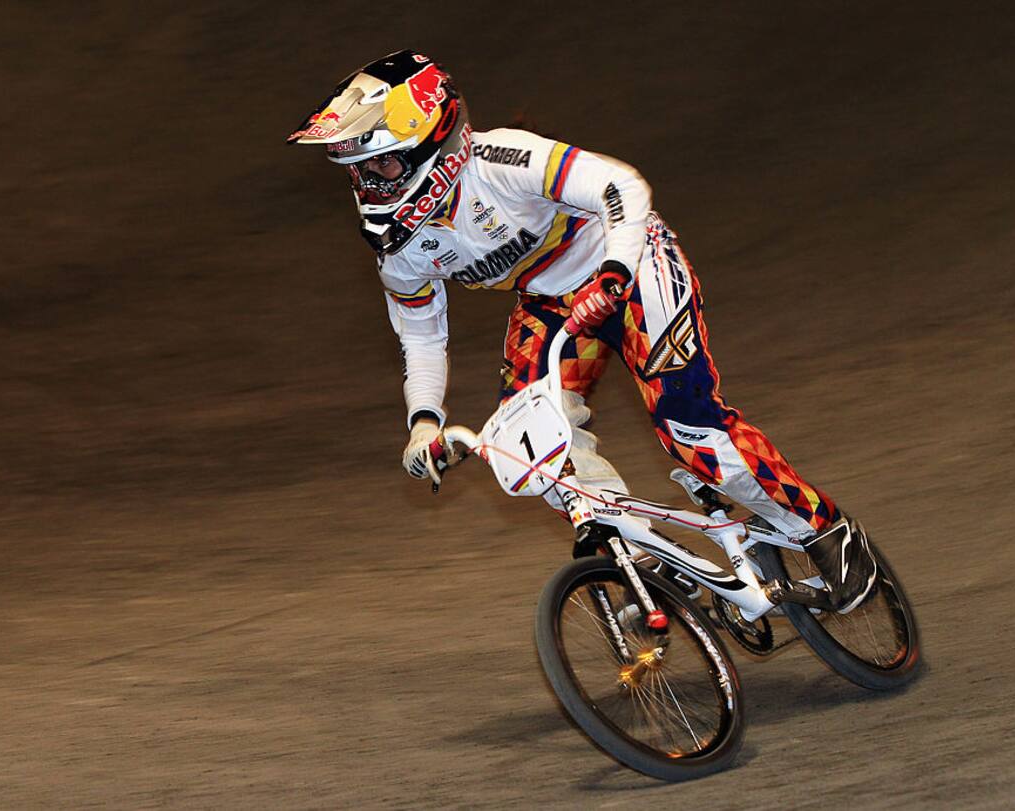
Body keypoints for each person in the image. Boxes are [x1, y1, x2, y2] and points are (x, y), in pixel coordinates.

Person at [288, 50, 876, 612]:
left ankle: (825, 529)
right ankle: (647, 556)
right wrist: (423, 422)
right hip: (551, 303)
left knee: (690, 427)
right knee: (529, 453)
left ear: (432, 144)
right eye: (359, 170)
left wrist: (616, 273)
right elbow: (420, 337)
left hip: (628, 264)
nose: (370, 184)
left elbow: (622, 187)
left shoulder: (502, 162)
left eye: (381, 165)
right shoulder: (401, 250)